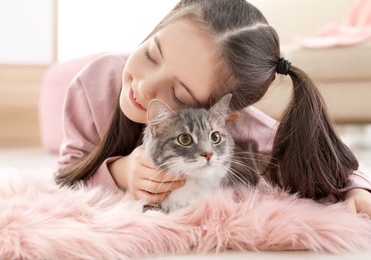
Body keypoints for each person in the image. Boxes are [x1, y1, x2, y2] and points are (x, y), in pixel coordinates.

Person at [54, 0, 371, 216]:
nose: (145, 86)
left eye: (179, 94)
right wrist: (120, 172)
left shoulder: (233, 124)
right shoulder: (94, 81)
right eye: (152, 54)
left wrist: (356, 192)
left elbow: (332, 163)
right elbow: (68, 172)